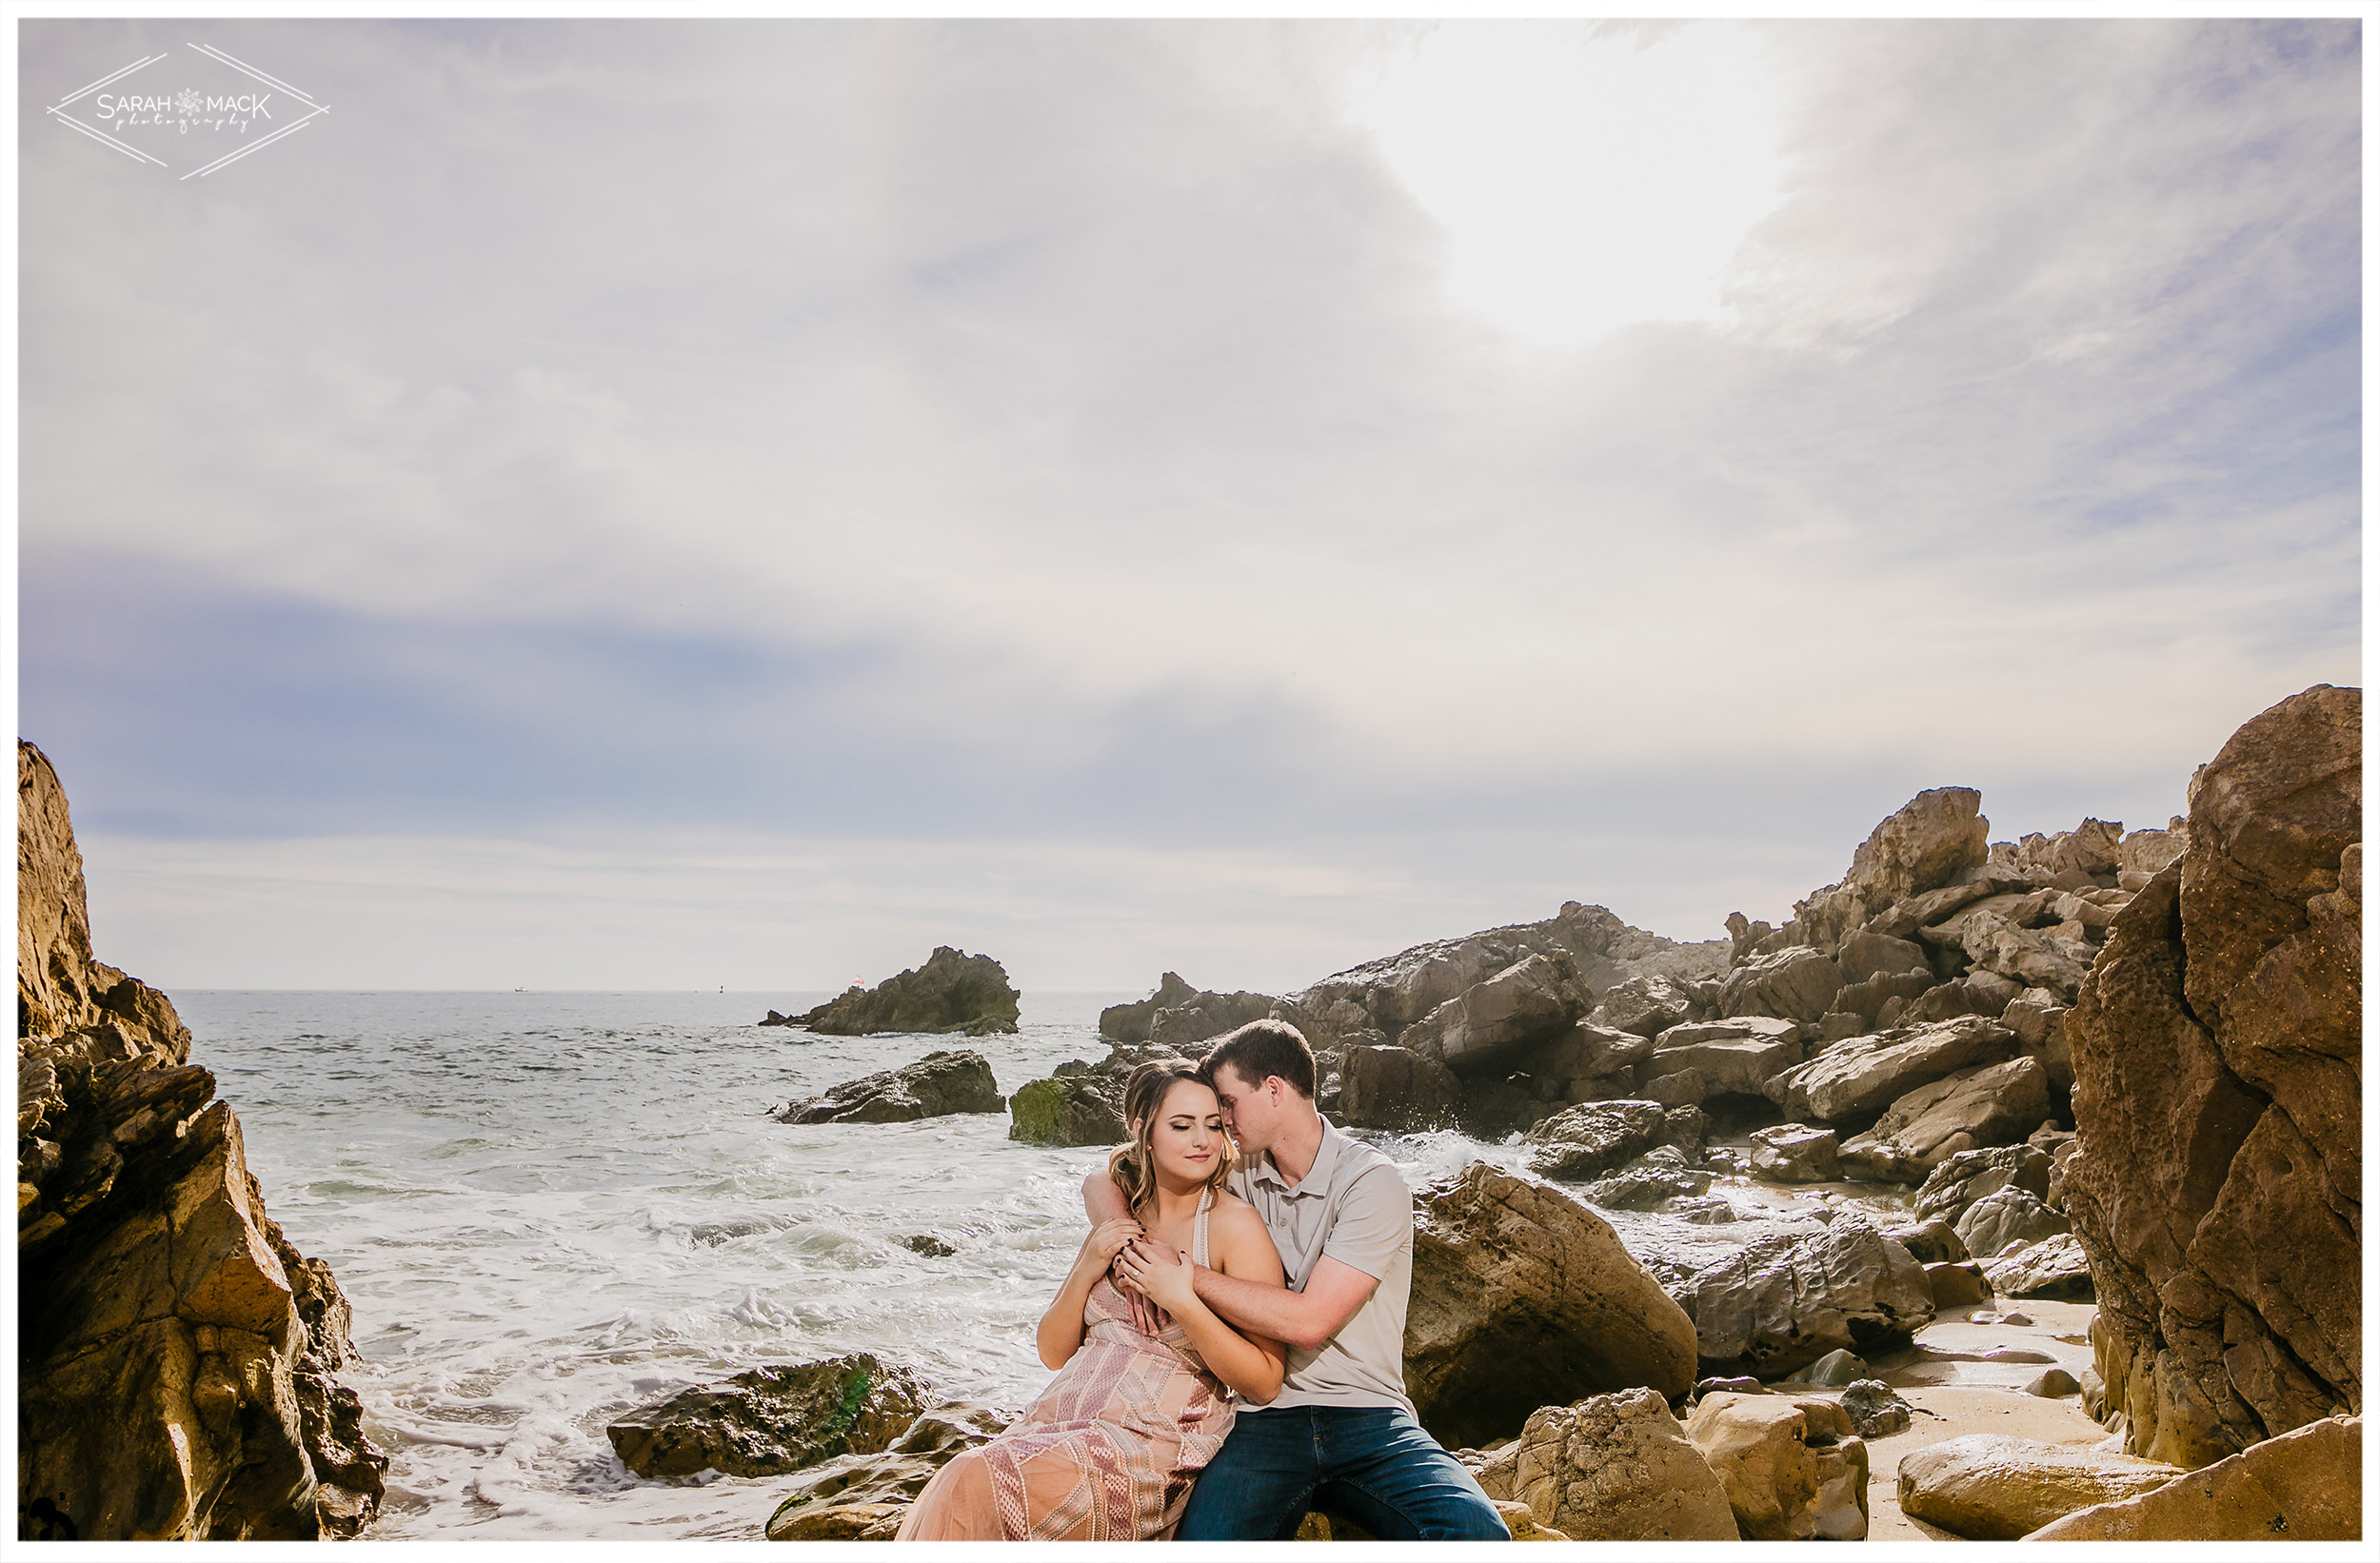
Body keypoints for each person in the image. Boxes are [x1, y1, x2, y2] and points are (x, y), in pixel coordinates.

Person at [1094, 1019, 1510, 1541]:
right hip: (1260, 1418)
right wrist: (1133, 1252)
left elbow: (1311, 1322)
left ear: (1273, 1090)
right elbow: (1108, 1176)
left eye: (1227, 1103)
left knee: (1479, 1537)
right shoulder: (1238, 1169)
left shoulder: (1371, 1182)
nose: (1220, 1121)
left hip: (1370, 1416)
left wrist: (1180, 1278)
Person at [896, 1060, 1287, 1540]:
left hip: (1146, 1445)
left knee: (971, 1480)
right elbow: (1052, 1351)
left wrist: (1181, 1301)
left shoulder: (1232, 1226)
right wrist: (1088, 1267)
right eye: (1182, 1126)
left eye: (1211, 1125)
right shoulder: (1120, 1220)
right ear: (1144, 1133)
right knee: (964, 1476)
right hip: (1061, 1422)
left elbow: (1266, 1379)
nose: (1202, 1141)